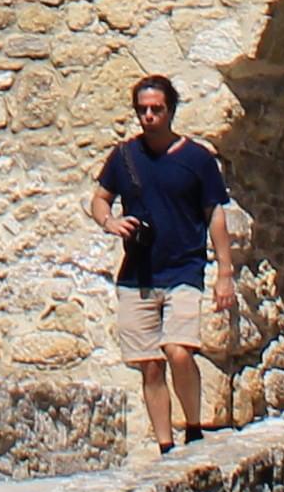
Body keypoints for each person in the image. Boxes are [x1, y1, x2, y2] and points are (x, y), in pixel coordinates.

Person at [87, 74, 237, 453]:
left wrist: (224, 272)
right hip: (137, 274)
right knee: (150, 365)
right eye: (142, 110)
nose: (149, 116)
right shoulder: (124, 157)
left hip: (183, 268)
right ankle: (166, 445)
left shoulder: (196, 159)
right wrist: (110, 222)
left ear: (171, 110)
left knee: (179, 350)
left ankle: (193, 426)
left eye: (156, 109)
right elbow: (100, 199)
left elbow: (214, 213)